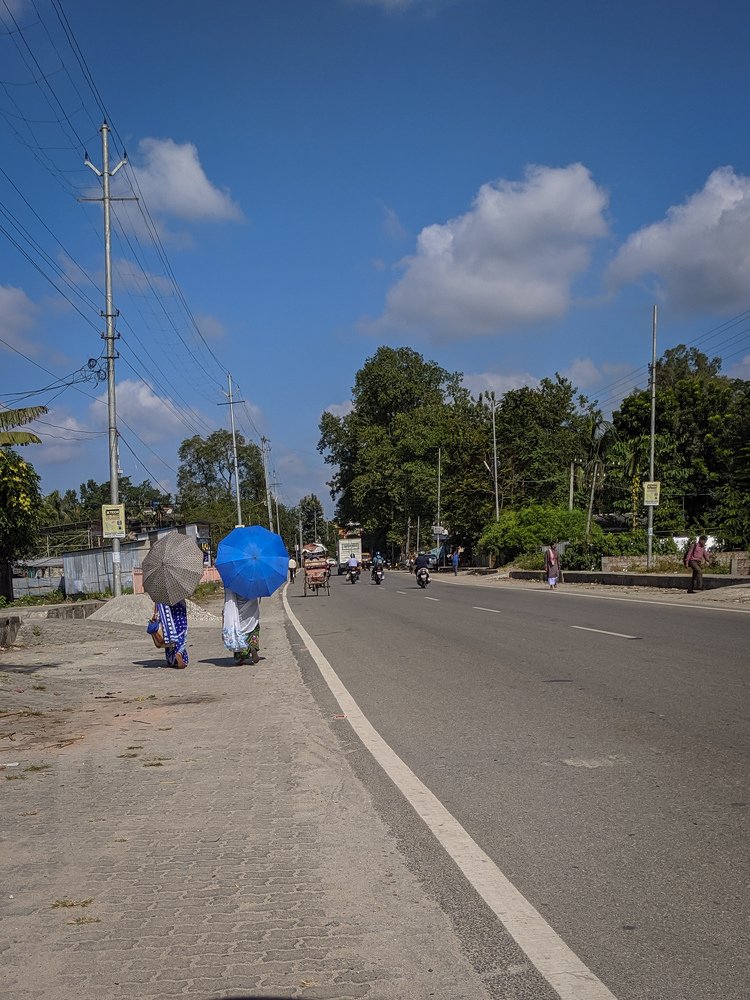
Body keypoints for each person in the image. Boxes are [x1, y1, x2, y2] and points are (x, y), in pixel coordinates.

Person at [222, 588, 261, 665]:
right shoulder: (253, 582)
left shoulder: (234, 584)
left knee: (240, 633)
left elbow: (230, 599)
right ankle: (253, 646)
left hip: (240, 613)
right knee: (254, 630)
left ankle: (241, 657)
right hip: (252, 611)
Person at [147, 600, 189, 668]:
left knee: (169, 633)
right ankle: (179, 653)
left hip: (166, 610)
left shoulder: (161, 592)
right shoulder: (177, 592)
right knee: (181, 633)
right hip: (179, 608)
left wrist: (155, 613)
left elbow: (157, 600)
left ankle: (172, 660)